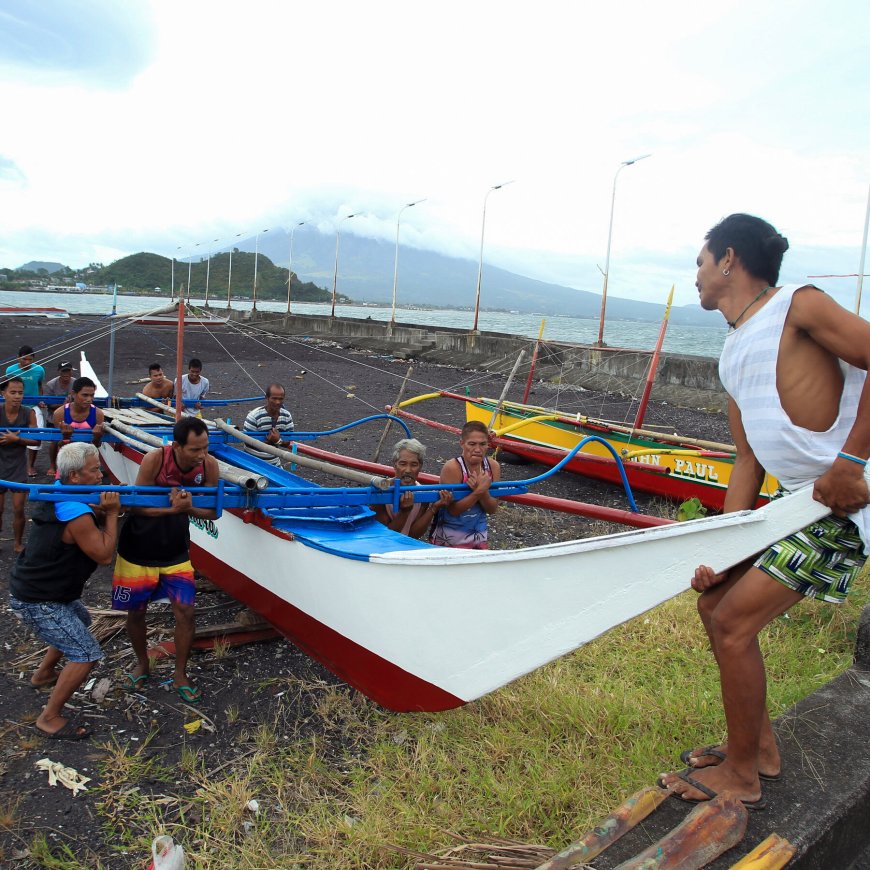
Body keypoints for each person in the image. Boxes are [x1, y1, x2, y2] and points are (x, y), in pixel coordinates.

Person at [657, 213, 870, 810]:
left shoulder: (797, 306)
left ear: (729, 259)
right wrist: (729, 550)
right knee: (715, 604)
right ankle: (759, 748)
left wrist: (850, 462)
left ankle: (742, 776)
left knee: (733, 624)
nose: (696, 276)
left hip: (844, 500)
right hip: (798, 502)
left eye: (700, 262)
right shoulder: (732, 348)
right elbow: (747, 460)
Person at [9, 442, 120, 739]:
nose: (101, 475)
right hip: (39, 599)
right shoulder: (76, 513)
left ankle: (43, 674)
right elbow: (105, 554)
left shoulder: (58, 489)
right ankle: (49, 716)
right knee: (85, 653)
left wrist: (98, 504)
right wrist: (111, 513)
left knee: (80, 621)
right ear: (74, 476)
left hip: (44, 590)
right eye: (95, 469)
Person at [111, 416, 219, 702]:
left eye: (205, 447)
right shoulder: (155, 459)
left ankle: (180, 673)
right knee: (136, 611)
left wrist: (189, 507)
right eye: (195, 450)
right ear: (177, 447)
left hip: (175, 549)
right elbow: (136, 506)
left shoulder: (209, 465)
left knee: (186, 612)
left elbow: (215, 512)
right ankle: (143, 663)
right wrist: (175, 510)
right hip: (138, 547)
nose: (202, 455)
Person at [430, 420, 501, 549]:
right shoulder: (453, 467)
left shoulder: (493, 466)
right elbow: (453, 510)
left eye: (482, 444)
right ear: (462, 444)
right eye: (472, 444)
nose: (478, 449)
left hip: (478, 536)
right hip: (449, 537)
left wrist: (482, 491)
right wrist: (479, 491)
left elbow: (492, 509)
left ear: (488, 445)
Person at [371, 438, 453, 538]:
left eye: (414, 465)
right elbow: (385, 537)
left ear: (420, 466)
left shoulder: (422, 494)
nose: (408, 470)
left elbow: (414, 535)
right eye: (403, 464)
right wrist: (405, 512)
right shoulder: (381, 492)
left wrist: (434, 508)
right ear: (394, 464)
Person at [0, 377, 39, 552]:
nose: (17, 396)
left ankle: (17, 543)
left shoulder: (28, 413)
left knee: (18, 509)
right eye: (12, 392)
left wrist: (17, 439)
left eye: (20, 393)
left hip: (17, 465)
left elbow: (37, 440)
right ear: (3, 393)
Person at [4, 345, 46, 477]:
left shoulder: (39, 370)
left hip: (32, 406)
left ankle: (30, 465)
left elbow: (40, 385)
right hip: (14, 406)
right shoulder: (10, 370)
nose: (27, 362)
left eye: (30, 359)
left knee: (37, 432)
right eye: (24, 359)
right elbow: (7, 386)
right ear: (18, 358)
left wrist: (40, 399)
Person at [243, 383, 294, 465]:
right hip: (252, 464)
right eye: (274, 398)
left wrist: (278, 441)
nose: (277, 402)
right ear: (267, 397)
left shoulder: (287, 416)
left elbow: (288, 441)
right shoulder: (254, 416)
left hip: (274, 463)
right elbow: (248, 442)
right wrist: (272, 441)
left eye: (281, 399)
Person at [43, 361, 76, 476]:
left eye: (68, 371)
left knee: (72, 440)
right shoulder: (51, 384)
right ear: (59, 372)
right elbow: (49, 404)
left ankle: (69, 465)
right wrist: (65, 404)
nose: (66, 373)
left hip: (72, 416)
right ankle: (53, 465)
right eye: (63, 371)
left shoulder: (75, 383)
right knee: (54, 441)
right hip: (54, 416)